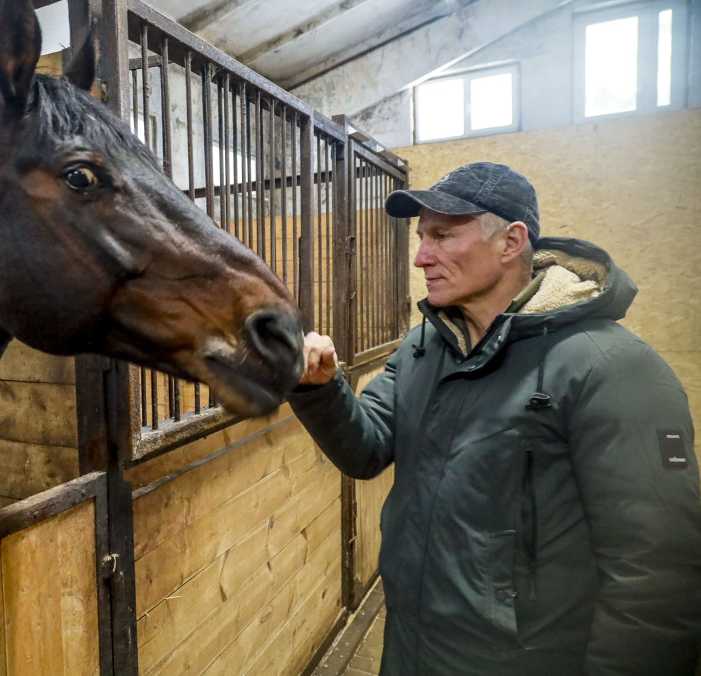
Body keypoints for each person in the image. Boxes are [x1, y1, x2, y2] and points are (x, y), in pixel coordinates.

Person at [288, 161, 701, 675]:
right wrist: (320, 389)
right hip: (412, 647)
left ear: (511, 242)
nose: (421, 257)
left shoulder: (613, 368)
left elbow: (657, 574)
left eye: (443, 236)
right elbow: (366, 448)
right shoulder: (424, 346)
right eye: (421, 238)